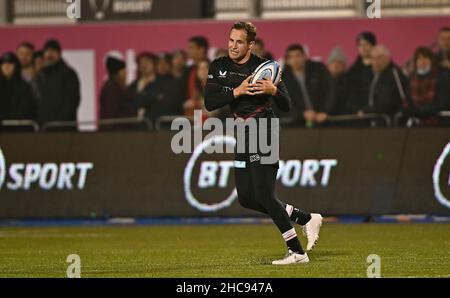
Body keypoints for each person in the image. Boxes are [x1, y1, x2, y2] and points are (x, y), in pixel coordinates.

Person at [204, 21, 322, 265]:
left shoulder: (266, 67)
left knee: (264, 194)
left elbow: (287, 105)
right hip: (242, 132)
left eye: (239, 42)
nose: (233, 46)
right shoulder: (219, 66)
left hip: (264, 130)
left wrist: (273, 90)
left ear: (251, 44)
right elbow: (210, 101)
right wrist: (236, 92)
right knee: (246, 198)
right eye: (231, 40)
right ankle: (305, 218)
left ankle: (297, 252)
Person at [280, 44, 335, 127]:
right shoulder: (283, 79)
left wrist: (325, 111)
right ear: (287, 61)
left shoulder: (318, 69)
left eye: (298, 55)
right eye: (291, 57)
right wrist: (302, 114)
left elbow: (331, 90)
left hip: (324, 119)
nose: (295, 60)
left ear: (305, 57)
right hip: (297, 124)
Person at [356, 45, 409, 121]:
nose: (375, 61)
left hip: (391, 124)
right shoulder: (374, 74)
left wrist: (366, 111)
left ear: (388, 58)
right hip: (376, 120)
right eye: (373, 58)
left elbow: (388, 103)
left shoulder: (394, 74)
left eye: (379, 58)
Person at [37, 39, 80, 127]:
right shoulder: (41, 75)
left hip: (63, 128)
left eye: (53, 51)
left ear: (59, 54)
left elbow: (72, 100)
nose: (49, 54)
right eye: (47, 51)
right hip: (44, 128)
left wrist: (59, 121)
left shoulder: (68, 73)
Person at [407, 47, 450, 125]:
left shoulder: (442, 76)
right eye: (419, 58)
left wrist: (426, 111)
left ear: (431, 60)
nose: (422, 61)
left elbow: (444, 100)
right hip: (416, 121)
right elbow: (408, 101)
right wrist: (415, 111)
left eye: (425, 57)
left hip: (439, 120)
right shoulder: (411, 78)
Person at [345, 32, 377, 114]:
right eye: (360, 45)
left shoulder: (381, 68)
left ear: (374, 45)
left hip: (377, 113)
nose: (363, 48)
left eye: (366, 44)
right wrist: (356, 109)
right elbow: (349, 93)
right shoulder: (352, 70)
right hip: (357, 114)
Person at [0, 52, 35, 122]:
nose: (6, 66)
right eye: (3, 64)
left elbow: (26, 109)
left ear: (16, 66)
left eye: (10, 63)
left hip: (18, 127)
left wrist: (7, 119)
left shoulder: (24, 86)